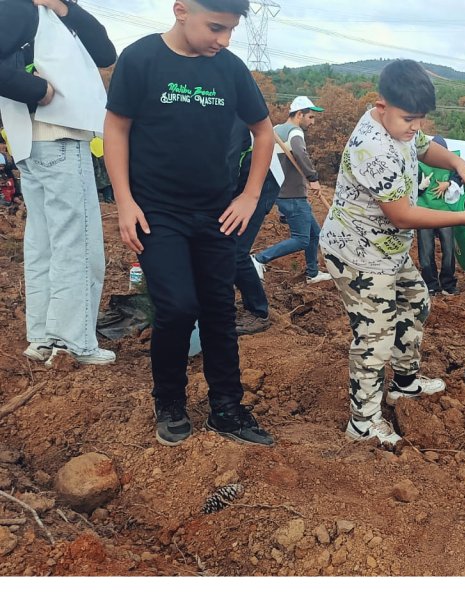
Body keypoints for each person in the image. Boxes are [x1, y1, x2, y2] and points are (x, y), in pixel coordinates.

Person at [104, 0, 276, 447]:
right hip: (157, 211)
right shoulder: (141, 58)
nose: (223, 40)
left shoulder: (231, 69)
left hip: (217, 212)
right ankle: (170, 401)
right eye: (215, 27)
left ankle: (226, 408)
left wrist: (250, 195)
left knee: (219, 309)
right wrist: (124, 201)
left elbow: (264, 131)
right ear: (181, 10)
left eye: (231, 31)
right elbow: (116, 128)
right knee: (178, 306)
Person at [319, 59, 465, 448]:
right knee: (373, 337)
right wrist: (459, 217)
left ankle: (405, 384)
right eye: (410, 118)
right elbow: (402, 215)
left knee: (415, 301)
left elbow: (427, 149)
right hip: (358, 254)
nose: (416, 127)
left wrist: (458, 161)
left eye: (421, 119)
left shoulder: (402, 129)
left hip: (389, 252)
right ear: (381, 105)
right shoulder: (371, 147)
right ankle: (362, 423)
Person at [0, 0, 116, 365]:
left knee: (46, 241)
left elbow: (105, 52)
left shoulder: (48, 14)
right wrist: (36, 90)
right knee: (76, 240)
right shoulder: (18, 9)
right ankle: (72, 342)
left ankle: (44, 337)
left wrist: (66, 8)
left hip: (31, 140)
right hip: (57, 135)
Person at [251, 95, 332, 285]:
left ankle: (312, 273)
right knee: (302, 239)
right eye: (310, 117)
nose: (312, 122)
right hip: (293, 195)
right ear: (299, 114)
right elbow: (300, 152)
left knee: (314, 233)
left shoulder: (276, 130)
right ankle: (258, 259)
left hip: (280, 192)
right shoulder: (295, 132)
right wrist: (313, 178)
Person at [228, 118, 282, 335]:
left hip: (260, 183)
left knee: (235, 250)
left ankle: (258, 312)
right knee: (221, 243)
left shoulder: (231, 119)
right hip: (239, 180)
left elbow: (228, 164)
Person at [416, 134, 459, 296]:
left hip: (445, 212)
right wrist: (421, 187)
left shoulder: (452, 164)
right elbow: (409, 190)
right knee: (426, 250)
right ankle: (431, 283)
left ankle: (448, 283)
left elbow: (461, 178)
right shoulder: (419, 166)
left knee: (449, 250)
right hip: (424, 211)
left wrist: (448, 183)